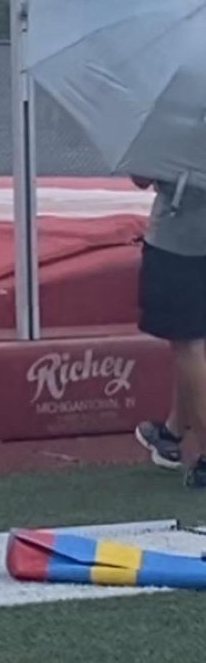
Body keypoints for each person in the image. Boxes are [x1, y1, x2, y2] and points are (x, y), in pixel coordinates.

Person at [132, 174, 206, 488]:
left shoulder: (165, 125)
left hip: (180, 241)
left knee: (188, 343)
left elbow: (141, 176)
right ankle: (174, 430)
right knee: (191, 344)